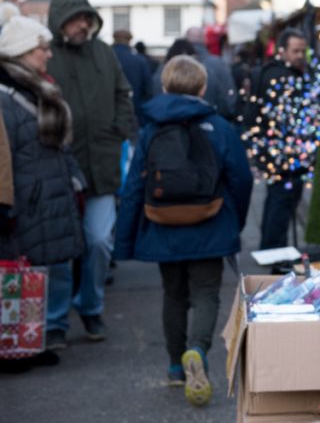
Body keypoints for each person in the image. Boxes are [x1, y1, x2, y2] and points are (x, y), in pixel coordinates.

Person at [115, 56, 253, 404]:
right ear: (203, 88)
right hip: (210, 221)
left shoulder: (151, 128)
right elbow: (242, 178)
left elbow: (133, 186)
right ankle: (198, 349)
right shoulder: (219, 126)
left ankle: (176, 367)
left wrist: (125, 240)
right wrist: (234, 220)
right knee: (206, 293)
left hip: (162, 224)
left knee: (173, 294)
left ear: (164, 87)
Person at [46, 0, 137, 342]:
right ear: (59, 21)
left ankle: (91, 308)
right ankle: (56, 320)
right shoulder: (47, 54)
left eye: (87, 17)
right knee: (60, 250)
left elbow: (122, 94)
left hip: (101, 165)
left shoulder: (104, 52)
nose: (83, 23)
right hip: (59, 168)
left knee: (99, 241)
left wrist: (119, 132)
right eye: (75, 18)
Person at [0, 16, 85, 353]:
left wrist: (77, 181)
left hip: (56, 191)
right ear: (22, 52)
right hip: (27, 197)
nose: (48, 55)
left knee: (58, 265)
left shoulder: (43, 87)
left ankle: (52, 330)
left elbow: (62, 146)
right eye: (42, 48)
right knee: (26, 270)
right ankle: (29, 339)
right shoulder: (6, 96)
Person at [246, 28, 309, 249]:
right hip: (283, 153)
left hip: (276, 151)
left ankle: (273, 248)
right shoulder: (280, 76)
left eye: (303, 51)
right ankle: (275, 251)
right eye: (295, 51)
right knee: (280, 203)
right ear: (282, 51)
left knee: (278, 202)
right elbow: (286, 119)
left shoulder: (276, 72)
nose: (300, 55)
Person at [185, 26, 237, 121]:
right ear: (204, 40)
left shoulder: (176, 64)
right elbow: (230, 95)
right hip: (215, 122)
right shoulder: (218, 63)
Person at [112, 29, 152, 124]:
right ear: (129, 40)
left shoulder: (105, 58)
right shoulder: (140, 61)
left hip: (109, 114)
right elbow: (148, 90)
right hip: (135, 113)